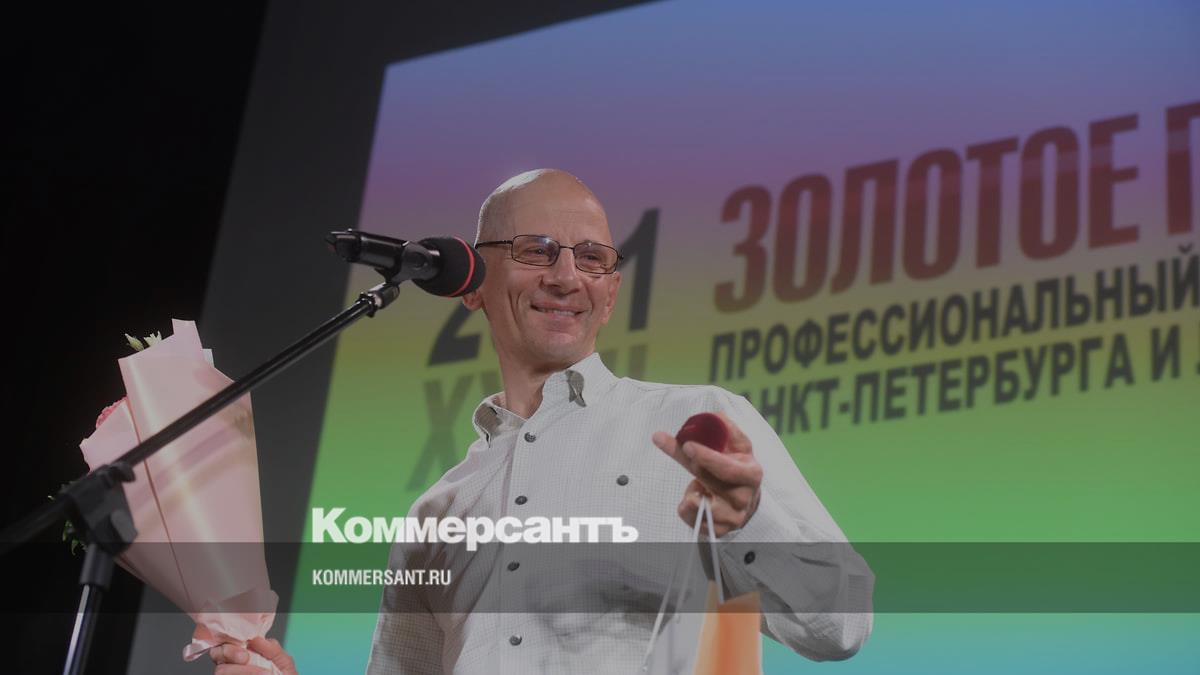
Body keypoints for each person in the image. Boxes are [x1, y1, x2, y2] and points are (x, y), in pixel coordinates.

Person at [213, 169, 873, 674]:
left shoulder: (697, 424)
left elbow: (841, 627)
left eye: (593, 259)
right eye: (537, 250)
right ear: (472, 284)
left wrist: (750, 521)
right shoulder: (434, 515)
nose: (566, 276)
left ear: (610, 294)